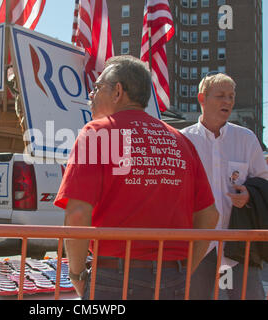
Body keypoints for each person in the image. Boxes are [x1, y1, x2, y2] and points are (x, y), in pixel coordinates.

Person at [53, 55, 219, 300]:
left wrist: (77, 276)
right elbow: (210, 214)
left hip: (116, 279)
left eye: (97, 87)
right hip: (174, 278)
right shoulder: (181, 141)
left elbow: (77, 213)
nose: (91, 95)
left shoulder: (97, 133)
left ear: (118, 91)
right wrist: (186, 269)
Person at [181, 72, 268, 300]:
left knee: (246, 297)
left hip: (238, 246)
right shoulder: (183, 140)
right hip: (198, 246)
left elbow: (264, 181)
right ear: (202, 98)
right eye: (220, 95)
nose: (227, 101)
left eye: (231, 96)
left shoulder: (247, 138)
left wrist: (249, 194)